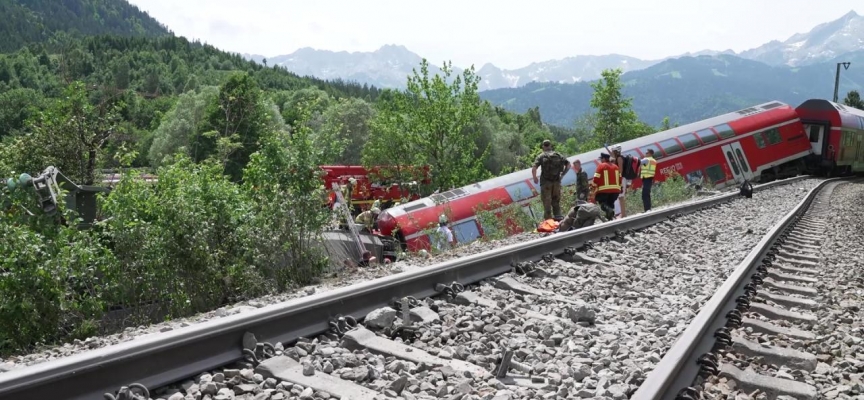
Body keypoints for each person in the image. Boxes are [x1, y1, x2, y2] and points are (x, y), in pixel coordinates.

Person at [532, 140, 571, 220]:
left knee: (547, 204)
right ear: (550, 146)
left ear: (543, 146)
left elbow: (534, 168)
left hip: (546, 183)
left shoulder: (541, 156)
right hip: (556, 182)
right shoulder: (558, 155)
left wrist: (535, 178)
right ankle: (559, 221)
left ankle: (549, 224)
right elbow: (568, 165)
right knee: (556, 203)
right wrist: (562, 175)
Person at [592, 153, 622, 221]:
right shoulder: (616, 167)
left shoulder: (601, 166)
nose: (600, 161)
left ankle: (610, 212)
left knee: (603, 204)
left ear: (604, 159)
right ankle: (610, 219)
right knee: (610, 204)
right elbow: (620, 178)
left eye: (601, 159)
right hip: (615, 190)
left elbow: (596, 179)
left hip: (604, 190)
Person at [611, 145, 628, 218]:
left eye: (613, 151)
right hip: (621, 179)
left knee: (621, 196)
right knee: (620, 196)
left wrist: (618, 179)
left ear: (616, 151)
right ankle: (623, 214)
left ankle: (623, 214)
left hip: (621, 179)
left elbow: (620, 170)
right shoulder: (618, 158)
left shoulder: (619, 158)